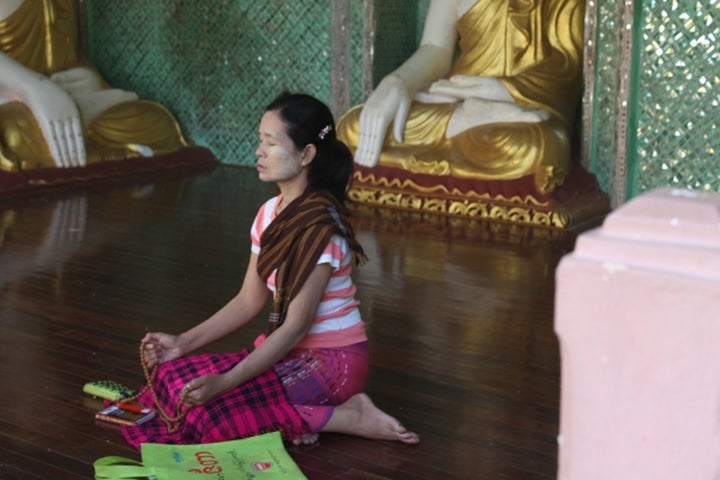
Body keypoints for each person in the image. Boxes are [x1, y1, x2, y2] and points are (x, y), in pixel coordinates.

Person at [126, 92, 419, 448]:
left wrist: (228, 381)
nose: (258, 152)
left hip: (331, 365)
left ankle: (348, 416)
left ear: (306, 154)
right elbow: (249, 299)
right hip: (287, 354)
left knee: (210, 417)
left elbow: (295, 329)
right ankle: (295, 416)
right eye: (259, 141)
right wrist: (182, 343)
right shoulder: (269, 212)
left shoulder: (319, 228)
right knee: (172, 380)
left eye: (270, 143)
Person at [336, 0, 585, 194]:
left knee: (538, 145)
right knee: (352, 126)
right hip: (453, 97)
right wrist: (398, 81)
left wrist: (502, 90)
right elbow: (435, 49)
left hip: (521, 107)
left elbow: (566, 62)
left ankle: (475, 117)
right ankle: (468, 118)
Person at [0, 0, 188, 172]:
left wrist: (87, 77)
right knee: (15, 136)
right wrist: (33, 88)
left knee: (155, 121)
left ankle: (78, 128)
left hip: (65, 95)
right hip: (10, 106)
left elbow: (65, 59)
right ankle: (88, 135)